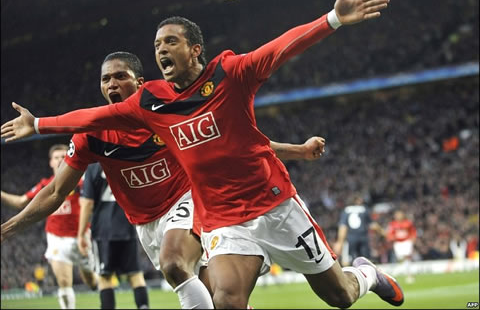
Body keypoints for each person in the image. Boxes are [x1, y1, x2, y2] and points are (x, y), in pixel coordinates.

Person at [1, 0, 403, 308]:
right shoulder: (149, 103)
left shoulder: (230, 75)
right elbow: (89, 119)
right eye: (157, 44)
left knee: (340, 296)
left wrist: (332, 20)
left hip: (273, 205)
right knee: (225, 299)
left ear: (195, 49)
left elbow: (279, 48)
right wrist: (38, 125)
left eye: (171, 41)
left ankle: (367, 274)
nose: (161, 50)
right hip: (222, 218)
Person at [1, 50, 326, 308]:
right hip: (145, 223)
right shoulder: (92, 134)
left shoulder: (166, 111)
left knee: (173, 263)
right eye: (105, 80)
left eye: (120, 77)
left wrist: (297, 151)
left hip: (189, 201)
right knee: (215, 296)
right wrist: (8, 228)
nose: (112, 85)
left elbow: (241, 142)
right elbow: (57, 191)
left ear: (140, 83)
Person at [1, 144, 97, 309]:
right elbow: (20, 202)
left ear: (69, 158)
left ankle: (95, 283)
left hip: (81, 237)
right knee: (64, 282)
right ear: (50, 163)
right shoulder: (45, 185)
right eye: (56, 157)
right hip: (56, 237)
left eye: (63, 156)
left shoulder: (82, 183)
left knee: (90, 279)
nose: (60, 160)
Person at [78, 162, 149, 309]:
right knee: (135, 275)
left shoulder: (93, 167)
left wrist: (81, 233)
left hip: (103, 229)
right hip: (128, 225)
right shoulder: (123, 160)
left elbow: (88, 203)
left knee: (104, 277)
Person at [333, 193, 382, 266]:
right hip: (363, 237)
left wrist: (340, 242)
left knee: (352, 260)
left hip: (351, 238)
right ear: (356, 200)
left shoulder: (346, 210)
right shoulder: (364, 209)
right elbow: (373, 225)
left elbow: (343, 227)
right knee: (365, 260)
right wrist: (382, 232)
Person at [385, 209, 417, 283]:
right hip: (398, 243)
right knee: (400, 259)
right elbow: (390, 233)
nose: (398, 216)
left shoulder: (408, 223)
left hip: (406, 241)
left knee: (406, 257)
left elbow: (413, 231)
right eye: (397, 215)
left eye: (400, 214)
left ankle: (409, 275)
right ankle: (402, 272)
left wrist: (413, 239)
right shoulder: (392, 224)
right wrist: (390, 237)